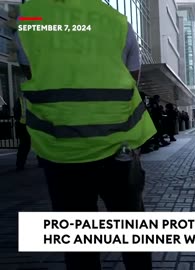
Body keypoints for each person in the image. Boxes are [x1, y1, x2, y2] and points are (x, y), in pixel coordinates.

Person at [16, 0, 156, 269]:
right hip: (118, 146)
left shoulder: (30, 17)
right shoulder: (115, 21)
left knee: (78, 244)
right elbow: (132, 79)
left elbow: (31, 72)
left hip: (61, 148)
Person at [13, 95, 31, 171]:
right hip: (30, 125)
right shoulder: (35, 98)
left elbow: (15, 111)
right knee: (38, 145)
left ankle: (20, 164)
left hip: (21, 125)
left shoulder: (21, 99)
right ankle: (41, 162)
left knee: (23, 145)